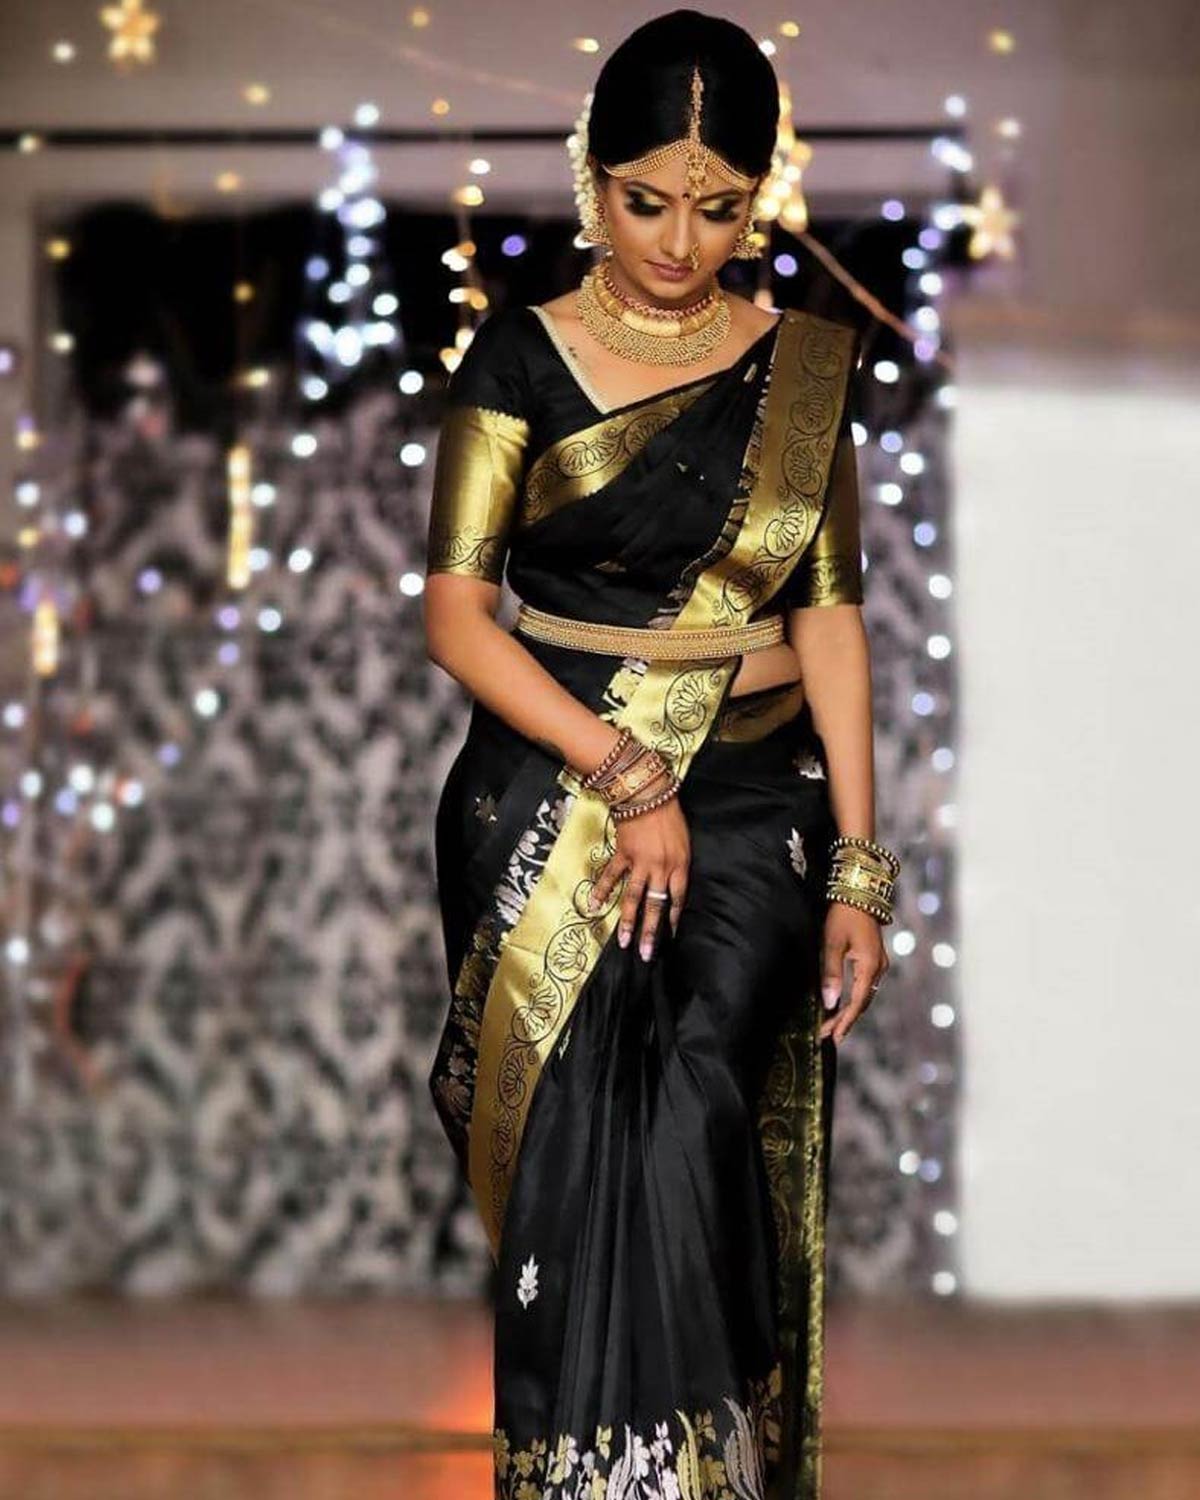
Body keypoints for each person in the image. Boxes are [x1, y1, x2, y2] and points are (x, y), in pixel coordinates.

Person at [422, 10, 900, 1497]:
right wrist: (624, 776)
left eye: (719, 207)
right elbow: (456, 617)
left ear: (758, 198)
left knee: (695, 1113)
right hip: (551, 786)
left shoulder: (803, 373)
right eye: (646, 201)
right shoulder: (520, 356)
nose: (681, 244)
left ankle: (698, 1476)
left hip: (759, 795)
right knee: (574, 1147)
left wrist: (862, 871)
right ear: (592, 180)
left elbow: (831, 623)